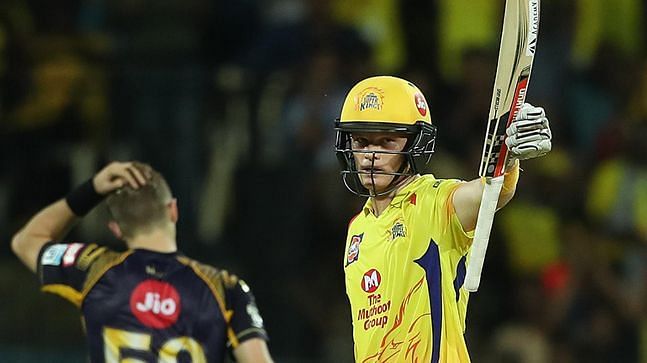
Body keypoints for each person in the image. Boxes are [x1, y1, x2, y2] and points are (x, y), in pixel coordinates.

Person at [334, 76, 552, 362]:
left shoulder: (433, 202)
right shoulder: (357, 228)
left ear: (413, 144)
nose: (370, 155)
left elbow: (490, 192)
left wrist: (508, 159)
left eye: (387, 141)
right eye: (361, 141)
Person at [11, 161, 274, 363]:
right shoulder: (225, 289)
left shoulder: (93, 268)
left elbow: (26, 241)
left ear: (116, 229)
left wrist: (91, 189)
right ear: (173, 210)